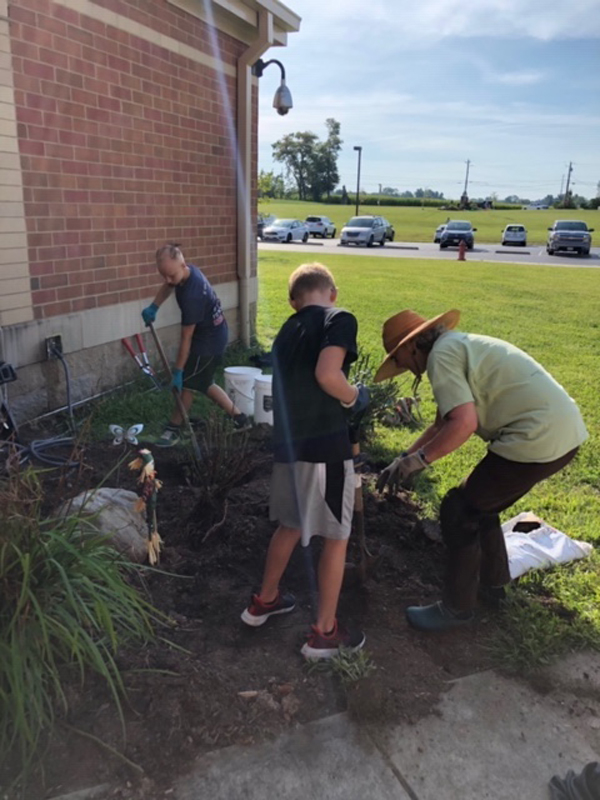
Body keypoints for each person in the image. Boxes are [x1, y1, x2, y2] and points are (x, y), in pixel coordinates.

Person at [374, 309, 588, 632]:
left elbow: (463, 424)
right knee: (480, 502)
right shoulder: (454, 346)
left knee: (459, 509)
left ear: (410, 346)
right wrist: (405, 457)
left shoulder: (440, 357)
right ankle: (494, 584)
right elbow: (442, 423)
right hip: (562, 433)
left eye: (397, 358)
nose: (401, 365)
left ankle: (457, 609)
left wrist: (418, 461)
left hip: (536, 436)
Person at [241, 263, 369, 659]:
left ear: (293, 301)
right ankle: (324, 633)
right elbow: (328, 375)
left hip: (288, 448)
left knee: (291, 525)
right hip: (324, 449)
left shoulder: (287, 331)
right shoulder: (339, 318)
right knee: (337, 536)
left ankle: (264, 601)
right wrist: (355, 397)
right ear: (332, 292)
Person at [141, 244, 247, 447]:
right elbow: (169, 285)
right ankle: (239, 419)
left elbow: (186, 338)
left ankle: (174, 428)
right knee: (203, 382)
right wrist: (154, 306)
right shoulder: (185, 273)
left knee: (188, 384)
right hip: (213, 333)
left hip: (208, 341)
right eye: (164, 275)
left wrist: (178, 371)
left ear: (182, 265)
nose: (167, 280)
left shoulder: (192, 296)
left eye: (171, 275)